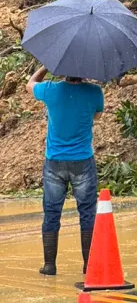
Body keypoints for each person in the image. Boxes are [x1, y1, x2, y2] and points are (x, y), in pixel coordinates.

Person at [26, 64, 104, 277]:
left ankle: (49, 265)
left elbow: (30, 84)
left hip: (54, 162)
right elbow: (96, 117)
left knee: (52, 212)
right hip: (82, 161)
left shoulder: (50, 90)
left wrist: (44, 67)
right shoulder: (95, 92)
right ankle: (88, 265)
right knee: (87, 212)